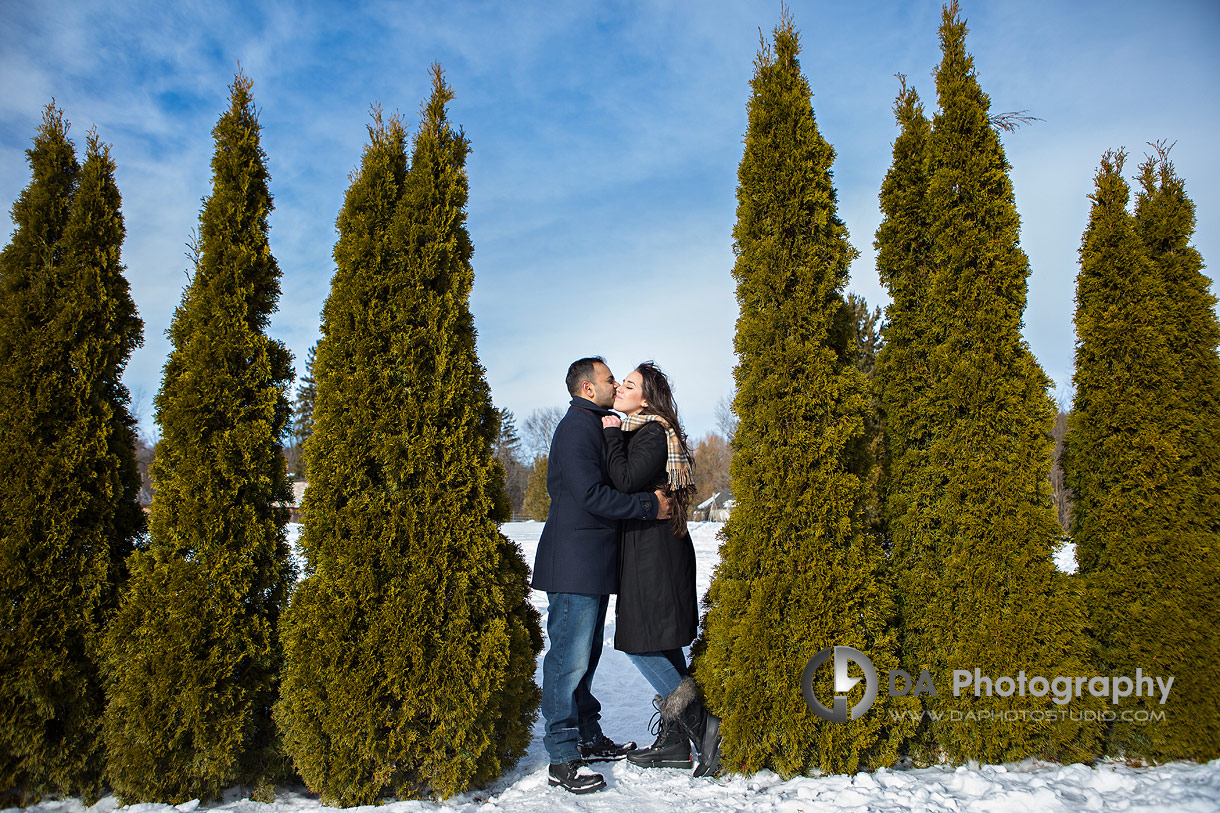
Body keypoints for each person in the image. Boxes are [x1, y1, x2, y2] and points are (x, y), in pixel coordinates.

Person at [531, 356, 671, 795]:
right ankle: (561, 756)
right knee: (567, 660)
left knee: (585, 659)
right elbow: (592, 495)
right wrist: (649, 506)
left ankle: (587, 736)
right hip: (573, 563)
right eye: (610, 379)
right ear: (589, 388)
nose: (615, 384)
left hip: (591, 563)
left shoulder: (597, 424)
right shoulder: (577, 427)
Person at [600, 362, 721, 778]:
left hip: (654, 553)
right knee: (665, 643)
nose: (619, 388)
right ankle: (673, 744)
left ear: (646, 398)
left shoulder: (650, 432)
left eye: (628, 385)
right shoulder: (650, 431)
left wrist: (612, 433)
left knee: (639, 642)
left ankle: (705, 726)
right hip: (650, 548)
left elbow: (626, 479)